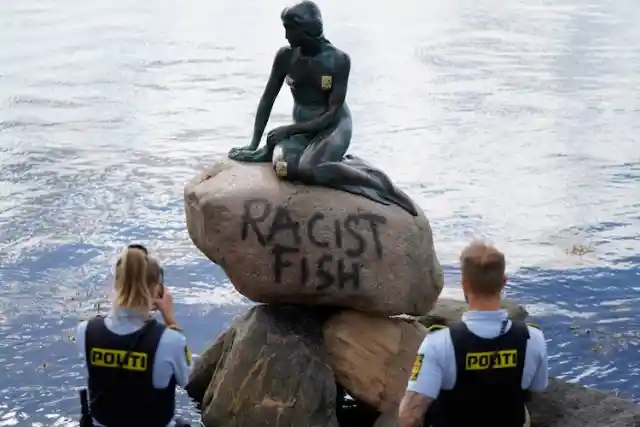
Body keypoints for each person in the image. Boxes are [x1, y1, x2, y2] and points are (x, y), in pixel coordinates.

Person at [227, 0, 418, 217]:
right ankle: (334, 164)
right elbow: (267, 99)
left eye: (290, 28)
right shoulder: (286, 57)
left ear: (306, 29)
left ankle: (376, 182)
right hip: (302, 131)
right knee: (284, 169)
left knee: (309, 169)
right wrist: (255, 144)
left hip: (333, 127)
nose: (286, 35)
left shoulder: (338, 60)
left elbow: (332, 113)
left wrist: (289, 131)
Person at [398, 242, 549, 427]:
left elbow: (410, 415)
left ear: (464, 284)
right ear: (504, 282)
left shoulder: (439, 342)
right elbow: (537, 387)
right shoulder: (533, 338)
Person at [75, 244, 193, 427]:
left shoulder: (86, 331)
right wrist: (170, 319)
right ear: (156, 291)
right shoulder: (170, 340)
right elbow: (187, 380)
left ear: (116, 285)